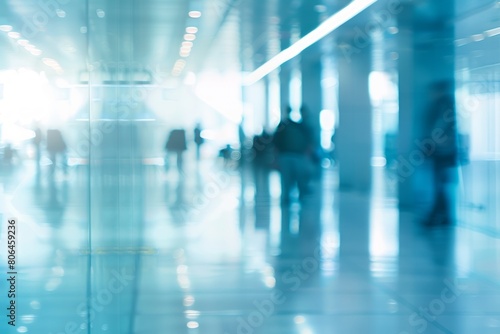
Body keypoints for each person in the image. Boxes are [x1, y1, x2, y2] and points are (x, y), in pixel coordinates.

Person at [423, 81, 459, 226]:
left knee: (440, 184)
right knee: (440, 184)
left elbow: (440, 129)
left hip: (443, 152)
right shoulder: (445, 105)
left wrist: (433, 142)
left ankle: (436, 216)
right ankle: (443, 216)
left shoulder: (443, 106)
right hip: (442, 152)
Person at [272, 106, 314, 204]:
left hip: (286, 156)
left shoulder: (283, 126)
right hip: (297, 155)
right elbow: (309, 143)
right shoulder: (301, 126)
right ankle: (299, 196)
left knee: (287, 178)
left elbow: (276, 143)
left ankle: (287, 197)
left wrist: (275, 159)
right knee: (299, 177)